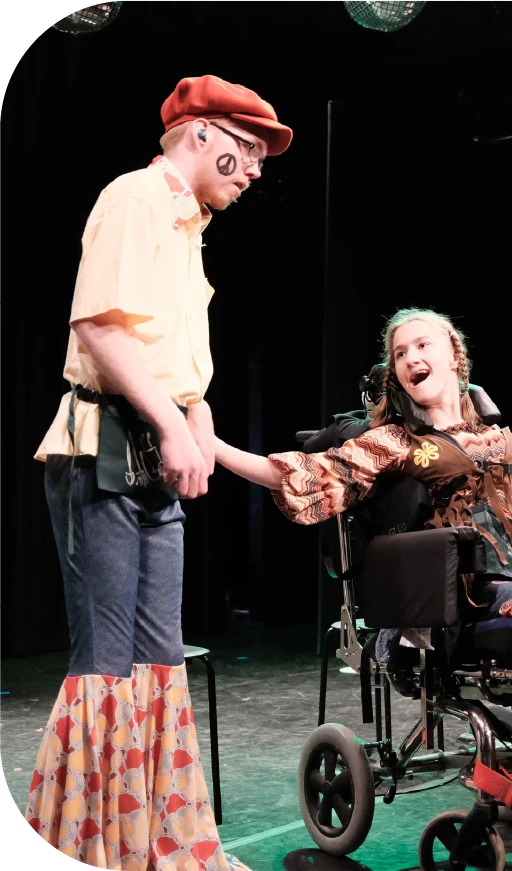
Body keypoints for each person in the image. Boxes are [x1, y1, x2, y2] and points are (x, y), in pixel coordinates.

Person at [214, 306, 512, 835]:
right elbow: (308, 473)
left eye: (422, 346)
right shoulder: (397, 441)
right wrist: (213, 449)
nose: (411, 359)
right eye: (399, 354)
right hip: (464, 597)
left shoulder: (494, 431)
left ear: (454, 356)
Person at [26, 74, 292, 871]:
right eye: (244, 153)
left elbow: (180, 364)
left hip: (153, 449)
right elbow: (99, 329)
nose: (250, 172)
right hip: (99, 448)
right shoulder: (135, 198)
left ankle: (158, 838)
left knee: (157, 656)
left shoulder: (188, 229)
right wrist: (174, 423)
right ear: (201, 133)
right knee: (107, 660)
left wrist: (197, 419)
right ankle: (89, 845)